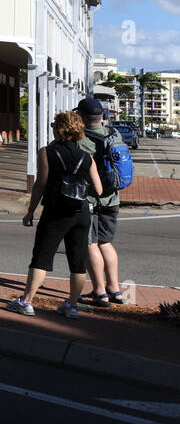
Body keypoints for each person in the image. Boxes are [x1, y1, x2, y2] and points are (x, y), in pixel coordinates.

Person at [10, 111, 102, 318]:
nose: (52, 126)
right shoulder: (86, 157)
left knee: (42, 256)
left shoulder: (47, 152)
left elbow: (40, 184)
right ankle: (71, 306)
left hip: (56, 212)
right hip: (81, 213)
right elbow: (99, 188)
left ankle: (26, 302)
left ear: (59, 128)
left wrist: (30, 211)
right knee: (77, 261)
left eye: (54, 124)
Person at [76, 97, 125, 306]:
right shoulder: (115, 134)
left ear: (83, 117)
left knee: (90, 244)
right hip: (113, 198)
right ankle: (115, 289)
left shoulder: (82, 139)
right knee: (106, 242)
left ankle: (99, 291)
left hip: (90, 199)